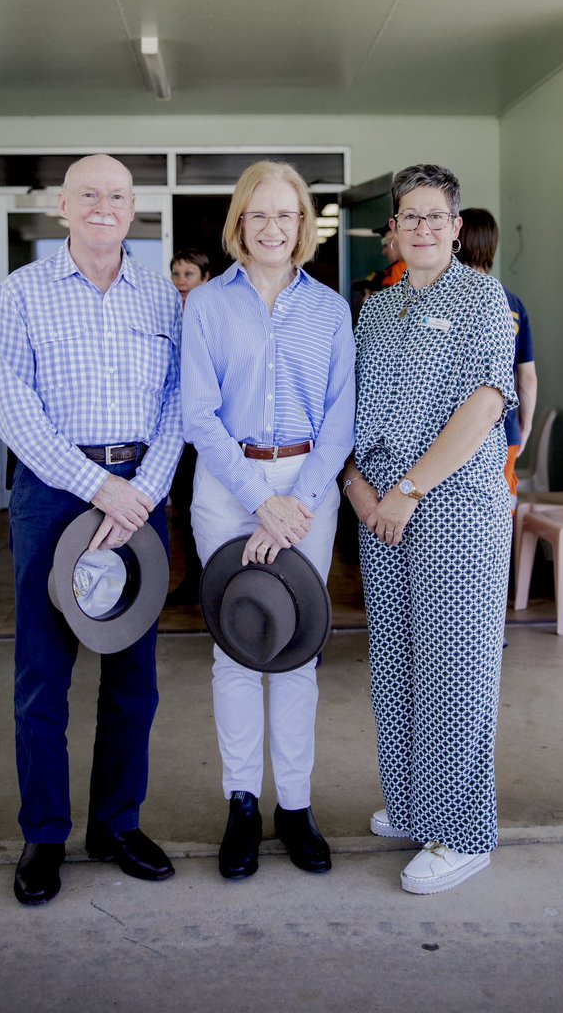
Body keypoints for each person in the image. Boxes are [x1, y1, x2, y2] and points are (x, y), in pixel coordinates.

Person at [0, 154, 183, 906]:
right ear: (63, 206)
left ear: (134, 209)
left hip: (141, 494)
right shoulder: (23, 293)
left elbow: (176, 405)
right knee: (44, 673)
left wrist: (139, 492)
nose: (105, 206)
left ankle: (116, 824)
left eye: (119, 195)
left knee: (133, 676)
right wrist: (96, 485)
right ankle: (43, 835)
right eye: (89, 194)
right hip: (52, 494)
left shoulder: (163, 298)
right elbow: (8, 403)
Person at [342, 164, 517, 895]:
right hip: (379, 510)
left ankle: (464, 830)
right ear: (392, 229)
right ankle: (417, 804)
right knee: (399, 663)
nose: (421, 228)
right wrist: (358, 486)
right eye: (408, 217)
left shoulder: (482, 298)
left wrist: (410, 489)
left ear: (455, 227)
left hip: (452, 508)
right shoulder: (376, 310)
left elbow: (484, 405)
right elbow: (350, 406)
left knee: (457, 669)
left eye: (434, 217)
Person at [182, 160, 355, 879]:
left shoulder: (330, 309)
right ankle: (243, 803)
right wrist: (261, 503)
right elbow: (198, 415)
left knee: (297, 650)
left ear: (304, 225)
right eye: (260, 215)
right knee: (235, 649)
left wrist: (295, 505)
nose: (274, 227)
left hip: (308, 487)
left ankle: (296, 807)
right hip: (229, 489)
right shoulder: (207, 306)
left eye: (287, 215)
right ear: (239, 226)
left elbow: (342, 419)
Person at [456, 208, 537, 511]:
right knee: (499, 507)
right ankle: (500, 561)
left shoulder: (451, 297)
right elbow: (527, 377)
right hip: (505, 426)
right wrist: (524, 426)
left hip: (455, 426)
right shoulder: (512, 302)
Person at [167, 248, 210, 606]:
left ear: (205, 279)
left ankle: (213, 578)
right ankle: (193, 578)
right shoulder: (167, 317)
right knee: (182, 506)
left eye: (189, 274)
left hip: (206, 434)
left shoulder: (212, 316)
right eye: (177, 274)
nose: (182, 281)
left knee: (206, 508)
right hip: (174, 433)